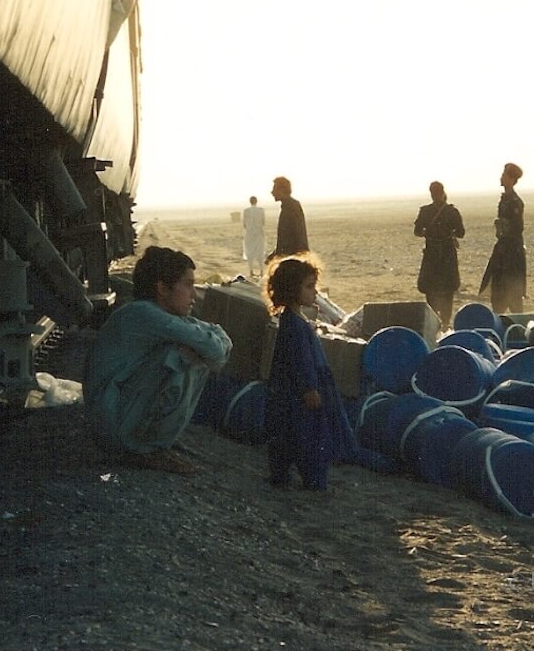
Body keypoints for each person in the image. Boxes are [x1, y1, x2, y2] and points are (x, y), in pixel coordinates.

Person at [84, 246, 232, 474]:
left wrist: (208, 347)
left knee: (190, 348)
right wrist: (204, 349)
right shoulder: (143, 314)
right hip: (113, 426)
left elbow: (218, 338)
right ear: (162, 288)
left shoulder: (161, 315)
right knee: (180, 356)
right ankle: (145, 449)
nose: (194, 295)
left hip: (121, 415)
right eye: (188, 285)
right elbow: (214, 346)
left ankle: (153, 444)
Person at [263, 254, 353, 490]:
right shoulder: (294, 325)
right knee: (309, 438)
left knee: (288, 437)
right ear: (293, 290)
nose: (315, 292)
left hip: (291, 392)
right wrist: (310, 388)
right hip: (300, 394)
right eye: (309, 287)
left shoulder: (294, 320)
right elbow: (300, 360)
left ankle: (283, 477)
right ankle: (313, 481)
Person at [414, 181, 466, 327]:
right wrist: (449, 234)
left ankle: (433, 324)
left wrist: (429, 233)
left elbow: (417, 231)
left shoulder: (425, 211)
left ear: (431, 194)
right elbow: (461, 232)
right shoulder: (452, 211)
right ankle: (445, 324)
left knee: (431, 291)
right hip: (447, 256)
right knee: (447, 291)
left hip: (431, 256)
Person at [479, 162, 526, 313]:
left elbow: (518, 228)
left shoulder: (514, 202)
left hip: (512, 251)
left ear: (512, 179)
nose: (501, 177)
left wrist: (502, 226)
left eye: (505, 175)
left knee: (513, 293)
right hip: (503, 249)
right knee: (498, 292)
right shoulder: (505, 199)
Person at [268, 176, 309, 260]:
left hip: (293, 259)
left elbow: (298, 234)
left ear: (282, 190)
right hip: (289, 257)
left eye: (274, 189)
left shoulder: (292, 207)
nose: (272, 192)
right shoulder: (288, 206)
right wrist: (276, 253)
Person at [242, 195, 266, 278]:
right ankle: (262, 271)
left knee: (250, 253)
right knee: (260, 252)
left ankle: (251, 271)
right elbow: (263, 222)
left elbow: (244, 224)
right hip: (259, 233)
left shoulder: (246, 211)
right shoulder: (261, 210)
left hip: (249, 234)